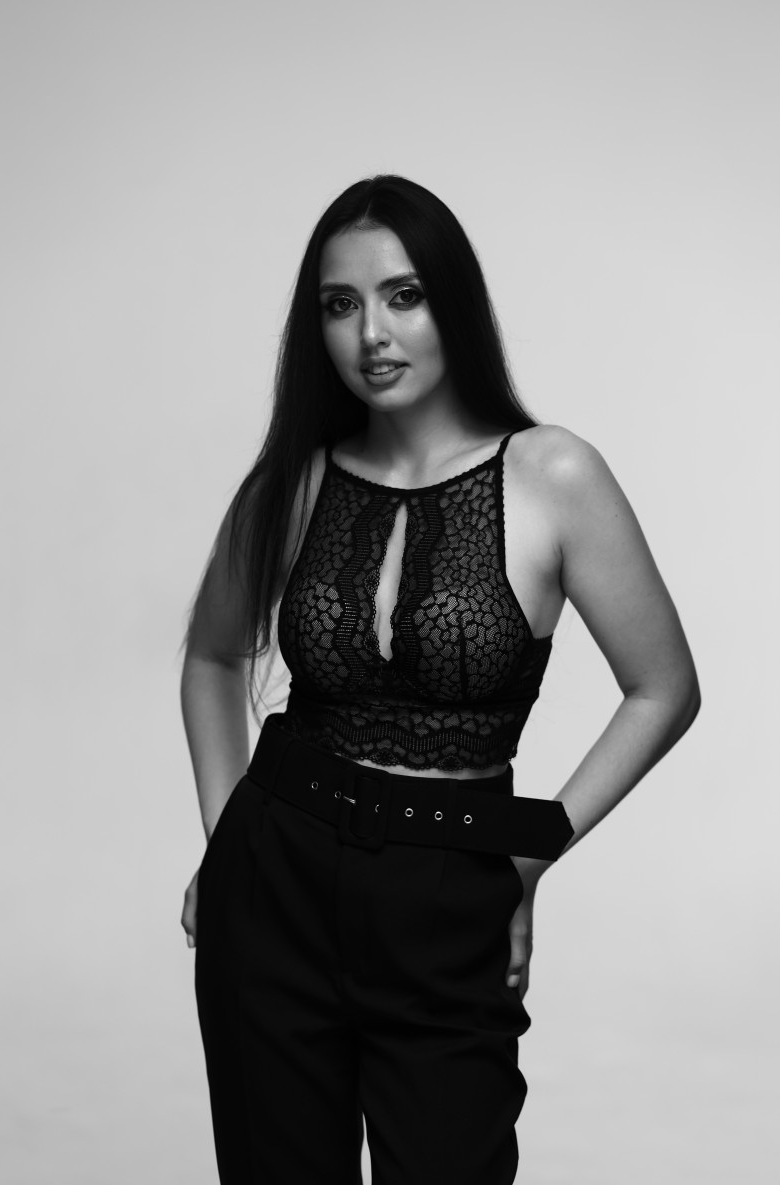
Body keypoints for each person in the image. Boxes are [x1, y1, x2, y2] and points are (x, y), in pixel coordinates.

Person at [179, 174, 700, 1185]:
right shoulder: (294, 481)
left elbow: (663, 688)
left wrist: (530, 855)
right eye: (340, 304)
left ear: (452, 301)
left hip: (449, 891)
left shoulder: (554, 474)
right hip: (274, 878)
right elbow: (210, 657)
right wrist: (224, 836)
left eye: (403, 296)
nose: (372, 333)